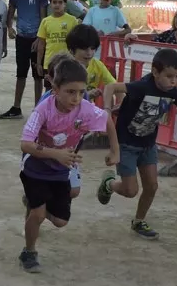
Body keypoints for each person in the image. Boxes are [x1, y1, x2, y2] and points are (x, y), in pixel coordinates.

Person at [18, 56, 120, 273]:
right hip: (35, 167)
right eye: (70, 92)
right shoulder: (43, 109)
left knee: (61, 222)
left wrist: (115, 151)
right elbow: (25, 144)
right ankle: (29, 252)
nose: (76, 98)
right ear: (55, 88)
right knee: (37, 214)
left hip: (61, 171)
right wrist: (56, 154)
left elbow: (107, 120)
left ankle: (36, 204)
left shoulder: (84, 108)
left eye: (81, 92)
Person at [95, 48, 177, 239]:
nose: (174, 81)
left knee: (151, 186)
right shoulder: (142, 86)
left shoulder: (173, 92)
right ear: (155, 72)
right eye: (169, 76)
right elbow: (110, 88)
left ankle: (139, 221)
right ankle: (109, 184)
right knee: (130, 190)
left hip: (148, 144)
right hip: (126, 143)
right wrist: (107, 110)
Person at [3, 0, 49, 118]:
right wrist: (10, 28)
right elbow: (10, 13)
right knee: (21, 73)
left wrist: (40, 37)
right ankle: (16, 107)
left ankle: (38, 109)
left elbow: (44, 17)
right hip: (21, 39)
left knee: (38, 75)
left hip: (37, 40)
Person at [65, 24, 125, 110]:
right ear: (71, 50)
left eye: (92, 48)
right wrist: (87, 95)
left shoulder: (97, 65)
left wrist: (122, 103)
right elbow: (62, 99)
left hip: (86, 111)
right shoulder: (65, 67)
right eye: (84, 49)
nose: (89, 53)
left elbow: (114, 86)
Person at [36, 0, 80, 85]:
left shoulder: (72, 20)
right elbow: (41, 44)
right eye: (54, 2)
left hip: (67, 62)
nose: (57, 5)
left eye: (60, 2)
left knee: (66, 89)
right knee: (49, 90)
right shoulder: (45, 21)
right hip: (50, 63)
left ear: (65, 4)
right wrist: (39, 63)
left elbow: (76, 43)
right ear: (50, 4)